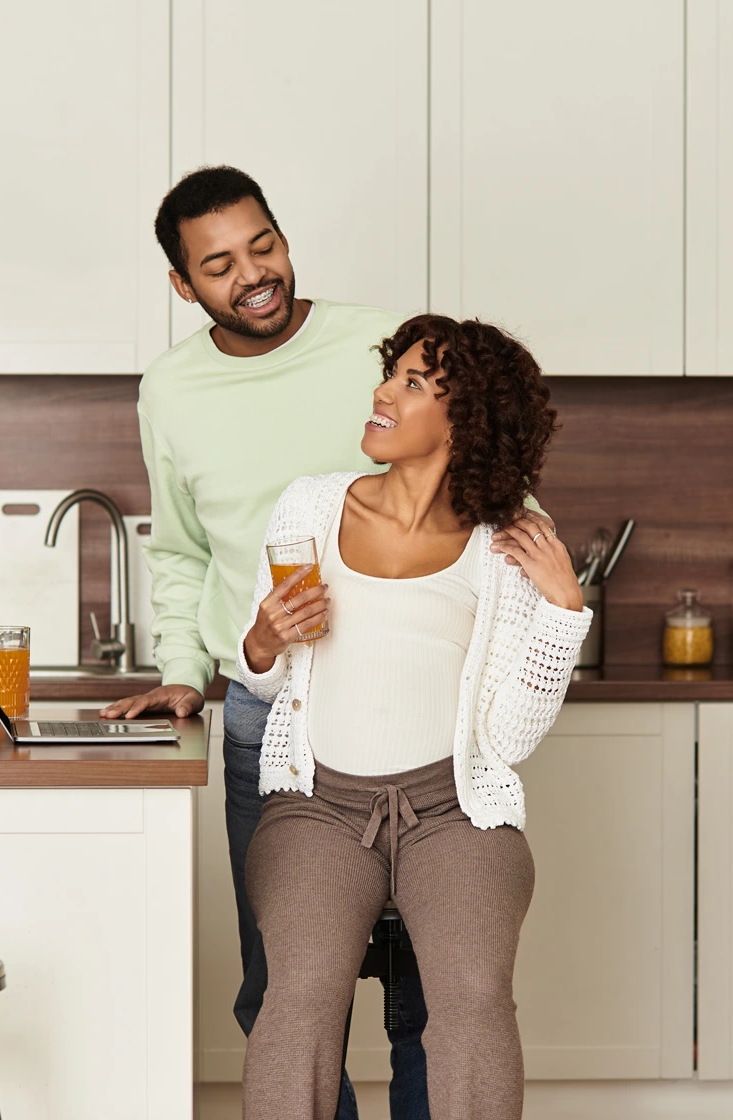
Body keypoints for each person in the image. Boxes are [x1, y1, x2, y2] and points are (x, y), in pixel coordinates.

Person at [101, 166, 554, 1120]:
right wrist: (190, 670)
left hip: (432, 739)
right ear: (185, 286)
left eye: (262, 245)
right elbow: (179, 551)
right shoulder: (171, 390)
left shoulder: (376, 343)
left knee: (432, 997)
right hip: (273, 717)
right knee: (284, 991)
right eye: (218, 265)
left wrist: (550, 598)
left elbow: (488, 486)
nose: (252, 274)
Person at [235, 313, 591, 1120]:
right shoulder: (310, 510)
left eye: (413, 384)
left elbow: (506, 739)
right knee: (301, 999)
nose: (383, 393)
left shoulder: (506, 549)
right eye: (391, 373)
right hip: (318, 806)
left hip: (453, 811)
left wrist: (565, 611)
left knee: (472, 1001)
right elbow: (264, 682)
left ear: (465, 420)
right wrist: (261, 640)